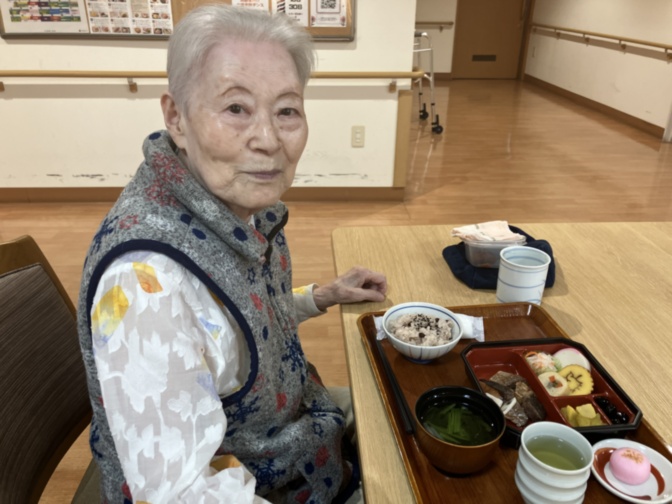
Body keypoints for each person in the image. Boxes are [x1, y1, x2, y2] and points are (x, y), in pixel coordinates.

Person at [76, 5, 387, 503]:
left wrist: (320, 296)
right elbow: (181, 492)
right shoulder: (145, 285)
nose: (268, 140)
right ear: (176, 118)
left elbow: (231, 324)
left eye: (286, 111)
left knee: (400, 402)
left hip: (299, 431)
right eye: (236, 108)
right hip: (260, 481)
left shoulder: (234, 206)